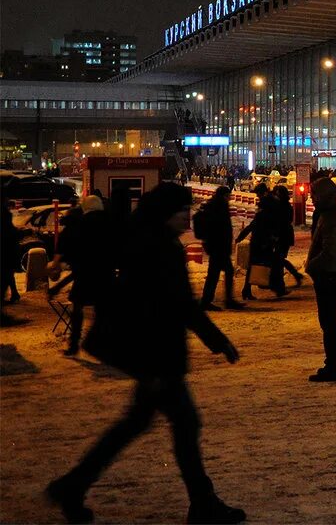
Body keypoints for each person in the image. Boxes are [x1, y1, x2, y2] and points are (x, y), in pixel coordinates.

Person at [47, 183, 245, 525]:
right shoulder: (155, 248)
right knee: (181, 424)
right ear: (166, 213)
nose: (188, 215)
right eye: (182, 210)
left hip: (154, 355)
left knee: (138, 425)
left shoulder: (154, 241)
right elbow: (175, 305)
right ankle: (202, 503)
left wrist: (215, 340)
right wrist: (217, 340)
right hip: (157, 355)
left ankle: (74, 485)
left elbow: (177, 304)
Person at [55, 195, 117, 354]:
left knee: (78, 308)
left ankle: (74, 343)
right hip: (105, 274)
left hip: (84, 274)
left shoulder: (81, 224)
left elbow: (70, 246)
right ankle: (104, 343)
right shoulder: (111, 223)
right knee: (102, 310)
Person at [306, 176, 336, 382]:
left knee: (329, 323)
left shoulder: (331, 218)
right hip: (329, 273)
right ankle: (332, 363)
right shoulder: (328, 214)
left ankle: (333, 366)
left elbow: (330, 251)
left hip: (328, 274)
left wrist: (312, 265)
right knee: (328, 322)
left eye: (314, 194)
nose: (311, 198)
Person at [195, 187, 242, 312]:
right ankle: (222, 300)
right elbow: (220, 228)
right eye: (228, 195)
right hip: (218, 246)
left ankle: (211, 300)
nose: (230, 198)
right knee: (221, 272)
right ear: (224, 195)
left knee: (216, 273)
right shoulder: (218, 206)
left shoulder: (214, 205)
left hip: (216, 246)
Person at [236, 186, 287, 300]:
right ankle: (275, 288)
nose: (257, 197)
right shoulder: (270, 204)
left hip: (260, 240)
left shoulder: (267, 204)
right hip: (263, 240)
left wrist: (242, 235)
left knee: (258, 264)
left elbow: (257, 223)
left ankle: (249, 290)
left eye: (258, 194)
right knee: (269, 263)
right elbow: (262, 223)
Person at [271, 186, 304, 286]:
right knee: (279, 259)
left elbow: (283, 221)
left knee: (279, 258)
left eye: (277, 193)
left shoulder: (282, 205)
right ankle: (292, 276)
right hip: (284, 234)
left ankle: (283, 280)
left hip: (283, 235)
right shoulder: (284, 205)